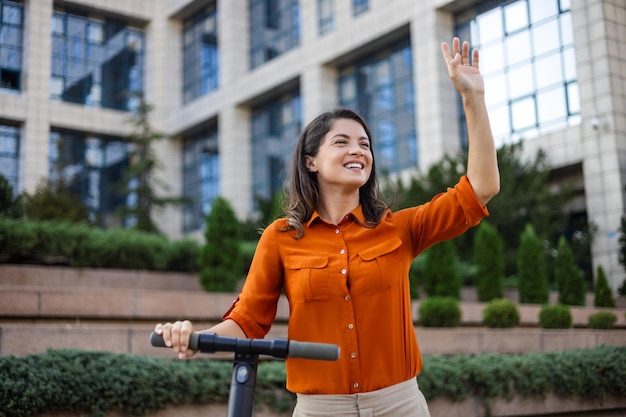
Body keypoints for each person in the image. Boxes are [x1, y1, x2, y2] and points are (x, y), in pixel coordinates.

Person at [155, 37, 499, 417]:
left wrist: (473, 99)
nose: (358, 150)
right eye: (342, 142)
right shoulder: (281, 238)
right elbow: (248, 322)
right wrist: (196, 338)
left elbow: (481, 188)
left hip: (399, 406)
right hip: (320, 409)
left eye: (365, 144)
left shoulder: (400, 229)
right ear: (311, 162)